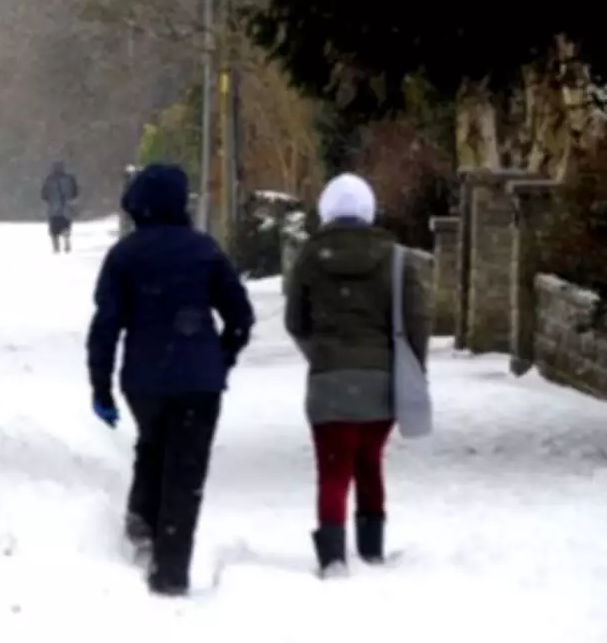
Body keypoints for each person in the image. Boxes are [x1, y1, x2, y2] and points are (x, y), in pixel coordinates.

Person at [86, 163, 255, 597]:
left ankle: (142, 522)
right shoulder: (204, 251)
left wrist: (101, 387)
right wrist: (222, 357)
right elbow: (240, 315)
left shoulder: (124, 256)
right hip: (200, 381)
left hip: (143, 380)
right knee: (186, 472)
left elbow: (106, 327)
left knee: (153, 443)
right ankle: (171, 570)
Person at [284, 173, 429, 576]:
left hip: (329, 383)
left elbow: (295, 320)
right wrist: (413, 370)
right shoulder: (397, 259)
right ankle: (371, 548)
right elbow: (417, 321)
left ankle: (333, 557)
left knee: (333, 470)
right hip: (381, 382)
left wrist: (322, 355)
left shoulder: (310, 257)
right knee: (369, 463)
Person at [41, 161, 79, 253]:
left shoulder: (49, 180)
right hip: (66, 208)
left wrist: (49, 200)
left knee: (54, 229)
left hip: (53, 209)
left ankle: (56, 246)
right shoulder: (69, 179)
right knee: (66, 225)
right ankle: (66, 240)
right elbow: (75, 191)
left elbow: (44, 194)